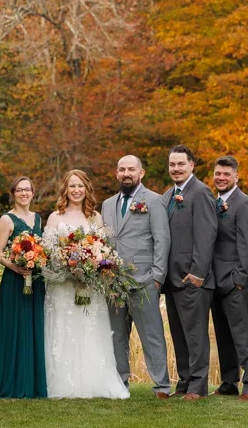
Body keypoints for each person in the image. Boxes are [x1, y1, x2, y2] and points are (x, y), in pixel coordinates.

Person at [43, 169, 129, 399]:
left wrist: (89, 267)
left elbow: (102, 251)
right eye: (72, 186)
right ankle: (62, 383)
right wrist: (68, 267)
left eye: (80, 186)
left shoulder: (95, 218)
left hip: (89, 286)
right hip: (63, 286)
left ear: (86, 188)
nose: (76, 190)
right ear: (65, 189)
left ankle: (93, 381)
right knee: (64, 328)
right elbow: (49, 253)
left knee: (89, 329)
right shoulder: (55, 217)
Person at [100, 155, 171, 399]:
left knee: (151, 335)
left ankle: (161, 386)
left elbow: (162, 238)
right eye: (122, 169)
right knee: (117, 336)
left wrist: (158, 276)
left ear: (141, 173)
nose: (126, 173)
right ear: (116, 173)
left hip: (145, 281)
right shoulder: (108, 204)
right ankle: (121, 383)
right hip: (113, 282)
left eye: (131, 169)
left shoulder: (153, 200)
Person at [161, 145, 218, 400]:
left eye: (181, 164)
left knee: (195, 336)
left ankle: (197, 386)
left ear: (191, 165)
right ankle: (184, 382)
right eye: (172, 165)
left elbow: (206, 236)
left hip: (192, 279)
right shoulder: (169, 195)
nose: (176, 169)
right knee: (180, 335)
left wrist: (197, 273)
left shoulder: (201, 192)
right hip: (172, 279)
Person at [0, 176, 48, 398]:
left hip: (36, 280)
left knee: (33, 327)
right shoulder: (6, 220)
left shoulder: (38, 219)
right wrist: (15, 267)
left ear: (33, 193)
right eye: (19, 190)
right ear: (13, 193)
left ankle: (32, 382)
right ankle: (11, 381)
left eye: (28, 189)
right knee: (14, 327)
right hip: (15, 280)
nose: (24, 193)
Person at [208, 156, 248, 401]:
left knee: (243, 336)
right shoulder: (213, 202)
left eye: (227, 174)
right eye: (218, 173)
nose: (221, 177)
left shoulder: (244, 203)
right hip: (214, 282)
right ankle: (229, 382)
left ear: (236, 177)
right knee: (223, 335)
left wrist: (238, 280)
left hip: (235, 282)